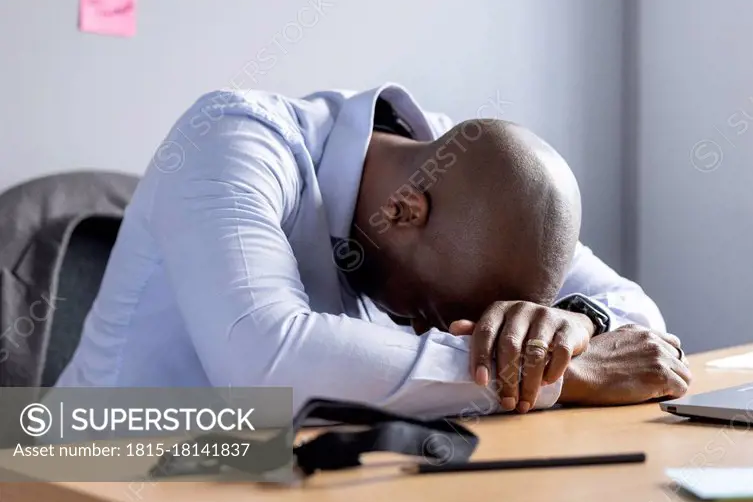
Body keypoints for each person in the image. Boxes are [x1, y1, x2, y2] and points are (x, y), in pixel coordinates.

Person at [56, 85, 691, 418]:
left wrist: (577, 323)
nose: (439, 330)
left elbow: (638, 320)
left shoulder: (467, 177)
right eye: (437, 307)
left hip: (273, 464)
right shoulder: (232, 138)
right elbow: (268, 362)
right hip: (93, 457)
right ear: (403, 212)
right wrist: (558, 377)